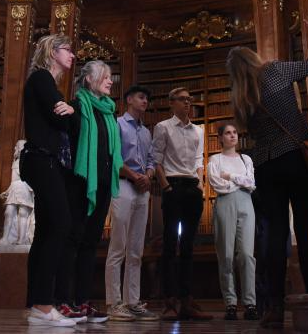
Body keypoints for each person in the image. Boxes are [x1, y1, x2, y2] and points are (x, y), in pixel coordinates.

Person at [226, 10, 308, 328]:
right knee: (306, 232)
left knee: (274, 236)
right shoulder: (275, 71)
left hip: (266, 167)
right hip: (295, 159)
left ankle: (274, 308)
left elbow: (249, 132)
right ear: (253, 58)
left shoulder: (239, 97)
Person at [56, 60, 122, 325]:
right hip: (80, 183)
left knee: (91, 243)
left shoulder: (108, 112)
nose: (110, 81)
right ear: (88, 80)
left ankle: (82, 301)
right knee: (72, 240)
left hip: (103, 185)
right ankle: (63, 301)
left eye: (110, 76)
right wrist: (70, 113)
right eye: (104, 76)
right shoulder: (76, 106)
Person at [18, 34, 77, 327]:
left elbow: (64, 119)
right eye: (68, 50)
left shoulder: (50, 85)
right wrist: (71, 111)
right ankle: (43, 304)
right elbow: (60, 119)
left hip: (42, 160)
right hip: (42, 160)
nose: (73, 55)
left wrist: (70, 110)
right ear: (53, 52)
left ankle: (36, 305)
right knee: (61, 224)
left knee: (44, 231)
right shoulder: (42, 78)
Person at [152, 87, 212, 321]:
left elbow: (199, 159)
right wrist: (166, 187)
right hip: (173, 186)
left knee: (188, 246)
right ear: (171, 103)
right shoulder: (163, 127)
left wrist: (200, 185)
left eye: (189, 99)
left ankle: (186, 301)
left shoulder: (199, 130)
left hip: (192, 188)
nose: (187, 103)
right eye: (182, 99)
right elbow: (157, 160)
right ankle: (170, 302)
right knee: (169, 245)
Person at [105, 86, 160, 322]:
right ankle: (114, 303)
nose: (145, 101)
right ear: (129, 100)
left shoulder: (146, 132)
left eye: (147, 98)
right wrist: (134, 175)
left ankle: (132, 302)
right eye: (141, 97)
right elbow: (113, 157)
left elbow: (152, 160)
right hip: (123, 185)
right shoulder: (117, 124)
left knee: (136, 249)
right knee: (118, 246)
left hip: (142, 189)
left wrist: (148, 175)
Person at [208, 121, 258, 321]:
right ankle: (230, 303)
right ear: (220, 138)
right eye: (228, 133)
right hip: (225, 204)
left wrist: (230, 176)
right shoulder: (215, 159)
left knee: (246, 254)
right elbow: (217, 184)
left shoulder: (246, 159)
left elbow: (251, 183)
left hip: (246, 204)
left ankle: (250, 303)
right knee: (226, 255)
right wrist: (239, 182)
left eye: (235, 132)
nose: (232, 135)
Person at [0, 139, 35, 247]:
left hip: (25, 188)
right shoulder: (15, 162)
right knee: (8, 212)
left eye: (17, 146)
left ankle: (21, 240)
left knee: (23, 213)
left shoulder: (30, 162)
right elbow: (14, 180)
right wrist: (7, 191)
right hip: (14, 188)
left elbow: (33, 179)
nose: (15, 148)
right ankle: (5, 239)